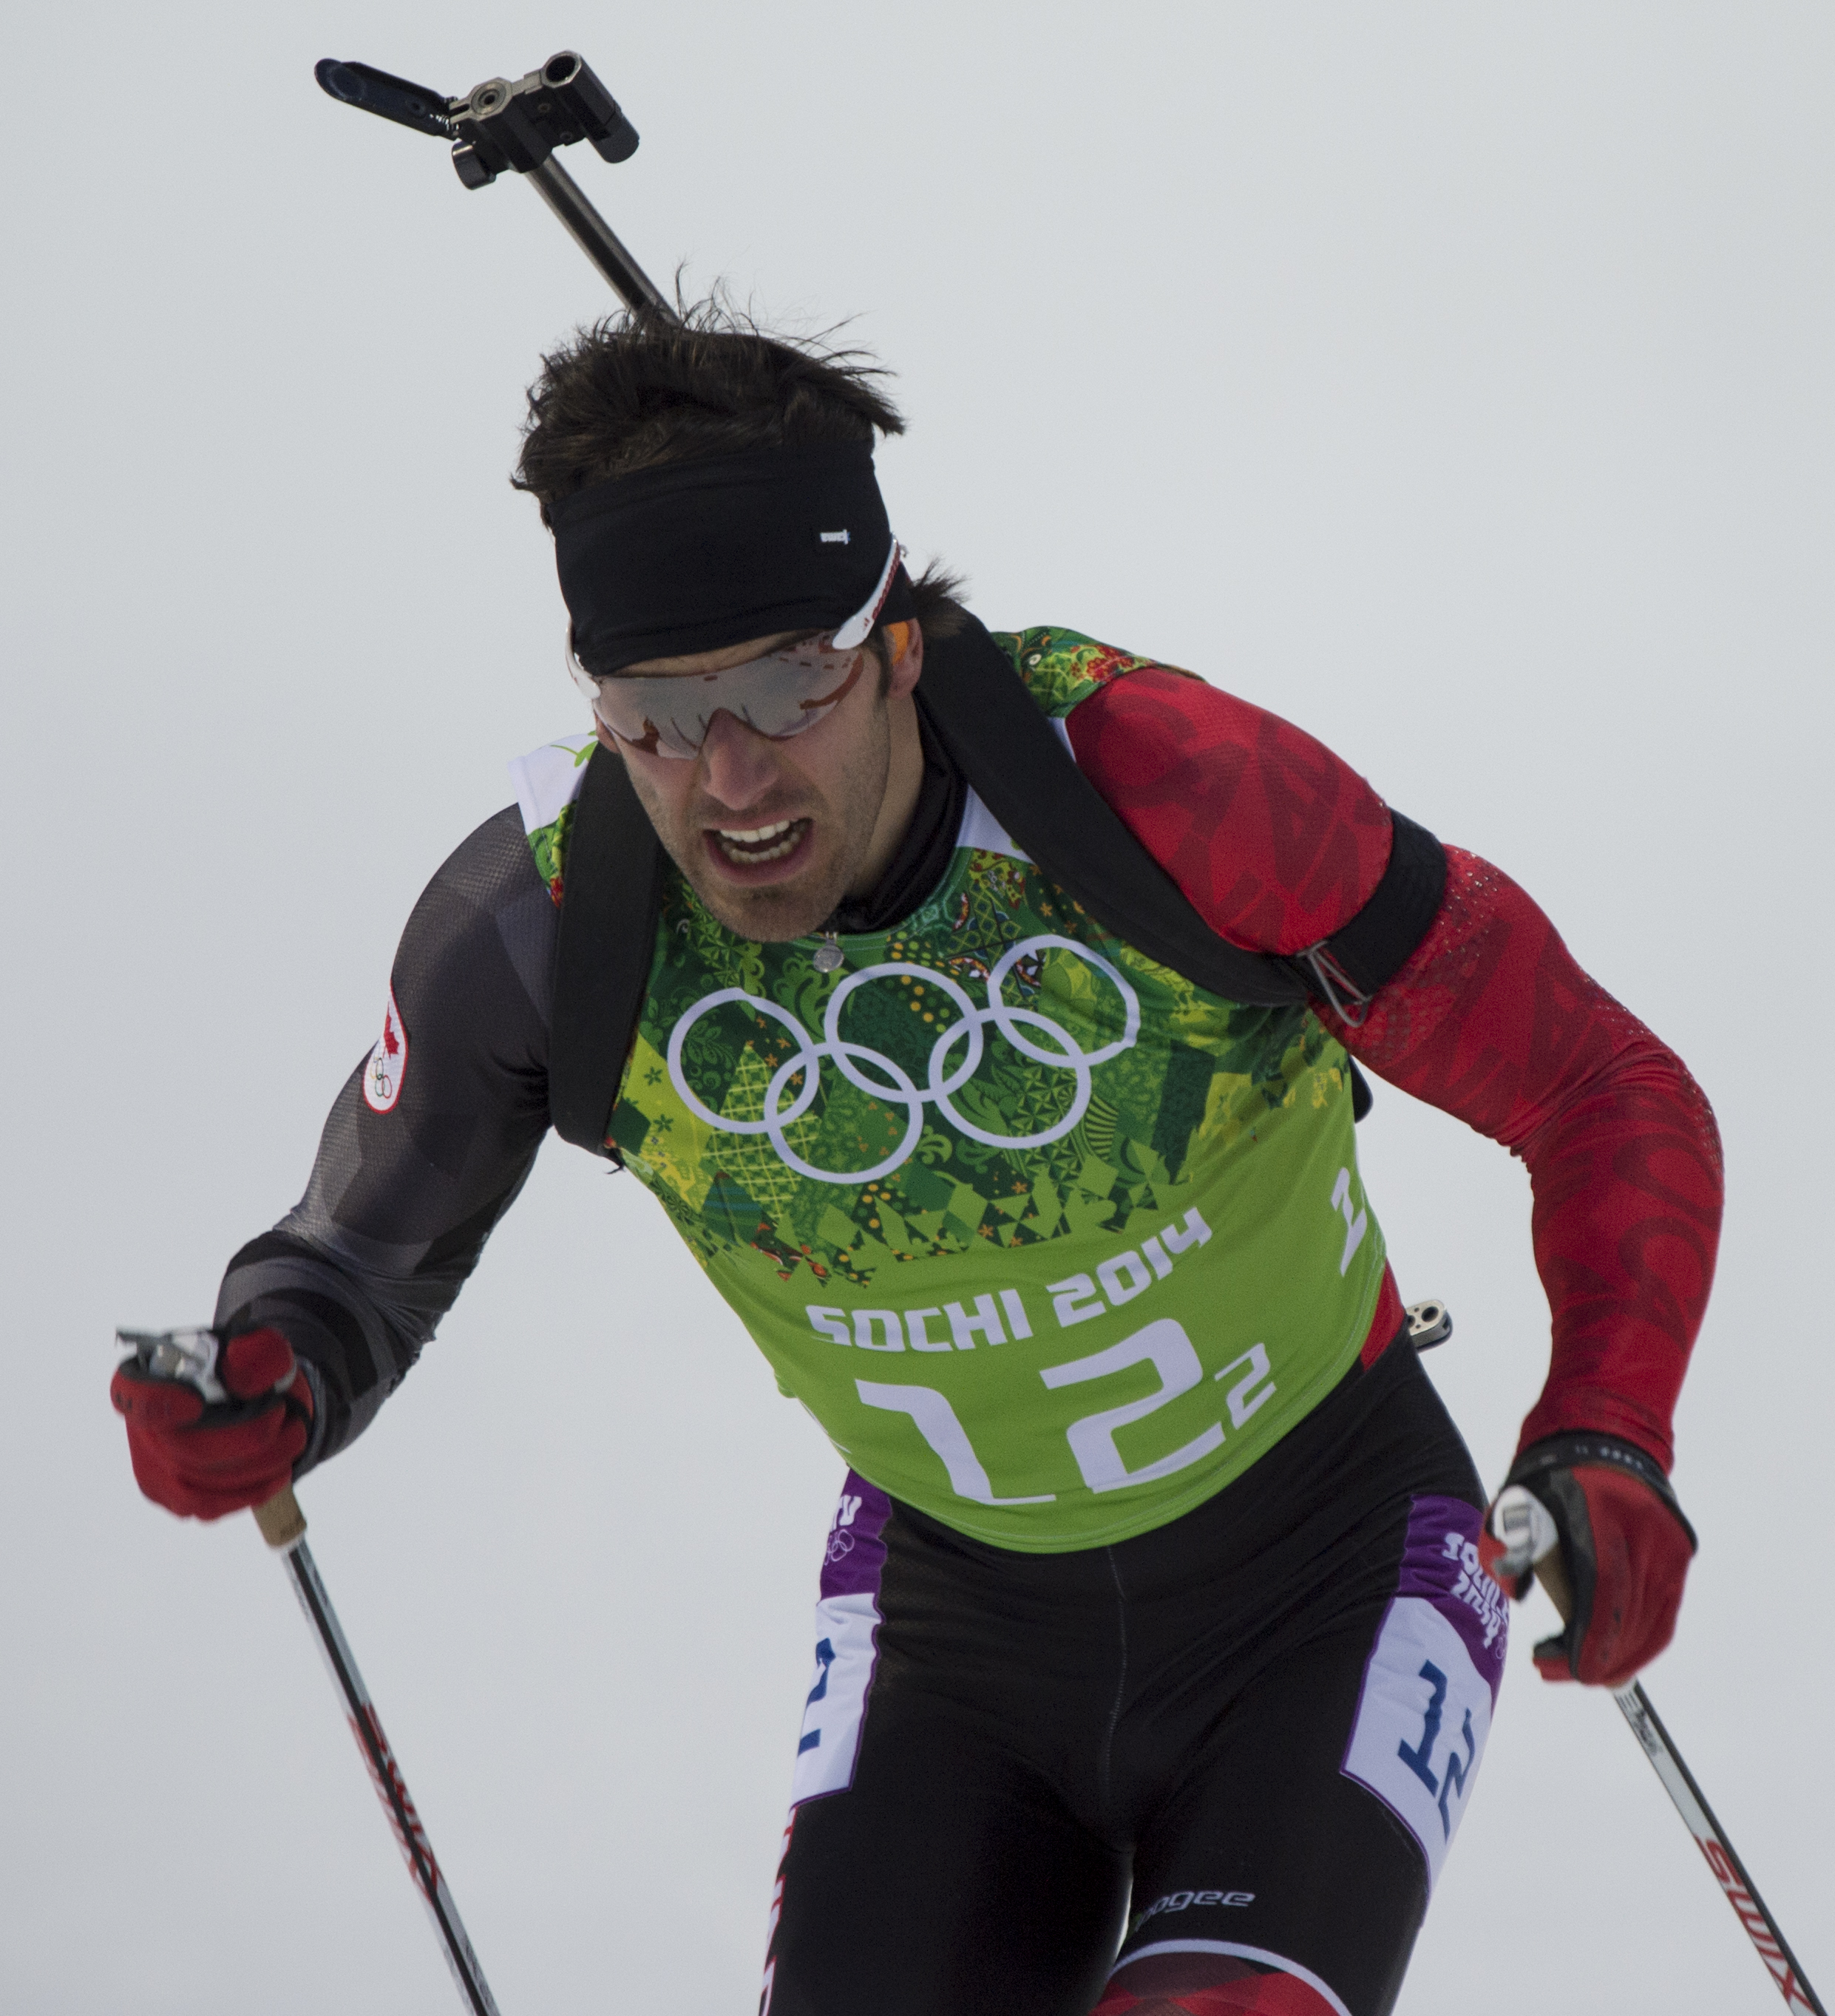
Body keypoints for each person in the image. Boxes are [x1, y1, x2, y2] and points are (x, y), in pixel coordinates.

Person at [110, 308, 1722, 2016]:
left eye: (782, 685)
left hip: (1330, 1574)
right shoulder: (542, 925)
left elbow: (1596, 1082)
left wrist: (1606, 1422)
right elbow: (345, 1265)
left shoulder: (1162, 793)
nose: (729, 776)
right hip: (953, 1643)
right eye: (655, 712)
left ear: (893, 642)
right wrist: (266, 1376)